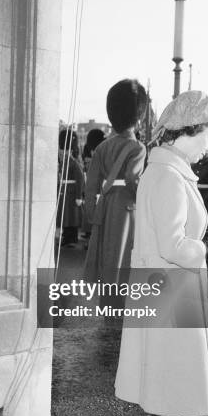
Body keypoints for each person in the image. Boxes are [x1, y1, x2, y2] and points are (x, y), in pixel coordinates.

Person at [115, 90, 208, 416]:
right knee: (171, 397)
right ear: (187, 132)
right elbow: (176, 244)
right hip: (171, 294)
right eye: (207, 135)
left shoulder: (163, 172)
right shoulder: (169, 177)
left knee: (161, 399)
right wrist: (204, 249)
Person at [84, 79, 147, 291]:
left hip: (106, 205)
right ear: (138, 116)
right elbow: (132, 179)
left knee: (107, 260)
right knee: (124, 262)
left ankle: (108, 310)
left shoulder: (101, 147)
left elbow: (91, 185)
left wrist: (92, 213)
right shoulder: (138, 148)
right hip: (128, 208)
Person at [57, 128, 86, 247]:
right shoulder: (65, 161)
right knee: (66, 216)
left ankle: (71, 238)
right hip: (65, 191)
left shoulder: (74, 162)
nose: (63, 152)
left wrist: (79, 196)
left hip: (72, 193)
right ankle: (66, 236)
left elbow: (80, 179)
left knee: (71, 218)